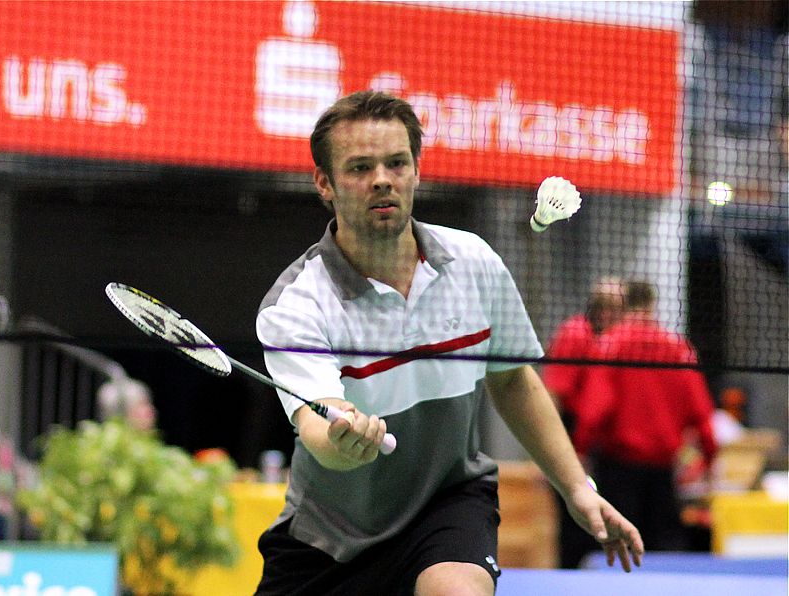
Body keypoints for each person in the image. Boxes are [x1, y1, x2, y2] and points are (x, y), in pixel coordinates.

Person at [254, 90, 643, 596]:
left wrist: (576, 488)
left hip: (448, 501)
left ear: (416, 170)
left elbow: (514, 382)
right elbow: (319, 428)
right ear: (324, 183)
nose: (381, 180)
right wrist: (346, 444)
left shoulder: (474, 263)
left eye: (397, 162)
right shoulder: (296, 304)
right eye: (359, 167)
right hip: (331, 534)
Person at [572, 280, 718, 552]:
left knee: (618, 547)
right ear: (652, 305)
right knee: (664, 550)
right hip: (663, 470)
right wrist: (710, 457)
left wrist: (579, 450)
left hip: (618, 469)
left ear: (625, 304)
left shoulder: (610, 344)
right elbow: (701, 411)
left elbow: (596, 407)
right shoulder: (678, 348)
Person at [541, 276, 625, 568]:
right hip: (572, 445)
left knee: (601, 532)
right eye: (606, 306)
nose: (611, 313)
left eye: (618, 306)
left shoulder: (617, 339)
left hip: (603, 454)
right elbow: (552, 395)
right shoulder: (575, 333)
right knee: (576, 532)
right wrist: (558, 453)